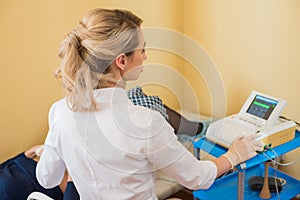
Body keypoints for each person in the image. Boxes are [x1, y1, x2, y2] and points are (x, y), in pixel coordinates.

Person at [36, 8, 264, 200]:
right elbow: (197, 178)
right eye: (142, 50)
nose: (145, 56)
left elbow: (47, 178)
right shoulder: (144, 122)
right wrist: (234, 155)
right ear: (122, 61)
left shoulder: (60, 111)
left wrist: (64, 150)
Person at [0, 145, 79, 200]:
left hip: (40, 161)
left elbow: (5, 166)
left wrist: (29, 153)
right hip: (58, 184)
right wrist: (71, 179)